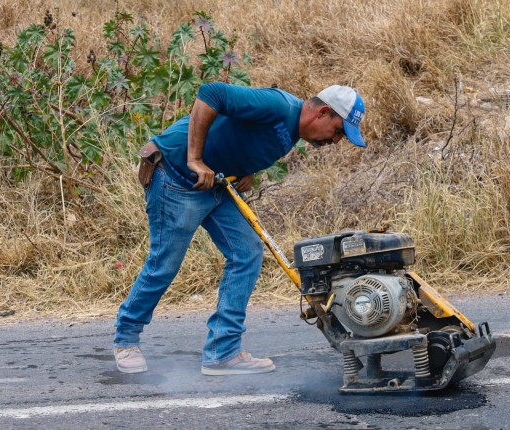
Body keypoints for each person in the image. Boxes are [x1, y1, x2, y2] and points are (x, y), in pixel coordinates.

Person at [113, 82, 366, 375]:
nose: (334, 141)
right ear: (323, 112)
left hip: (218, 184)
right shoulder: (278, 106)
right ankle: (125, 340)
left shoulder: (294, 131)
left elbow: (247, 137)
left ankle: (223, 353)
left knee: (247, 252)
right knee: (164, 264)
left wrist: (249, 170)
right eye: (337, 132)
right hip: (176, 176)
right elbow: (211, 94)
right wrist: (194, 159)